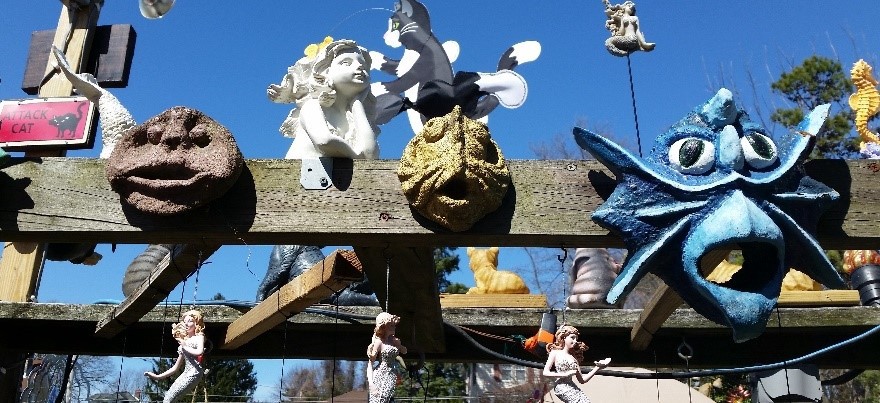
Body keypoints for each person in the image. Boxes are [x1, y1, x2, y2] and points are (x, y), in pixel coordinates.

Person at [268, 39, 380, 159]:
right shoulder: (312, 106)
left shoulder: (351, 116)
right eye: (346, 63)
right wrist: (357, 160)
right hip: (301, 175)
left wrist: (357, 105)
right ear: (325, 72)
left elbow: (370, 153)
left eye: (363, 65)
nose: (359, 67)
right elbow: (325, 142)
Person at [144, 310, 207, 403]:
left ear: (196, 323)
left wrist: (185, 346)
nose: (186, 324)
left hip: (195, 372)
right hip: (186, 373)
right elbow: (175, 368)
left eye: (190, 321)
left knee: (169, 400)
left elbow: (199, 351)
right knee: (167, 399)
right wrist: (157, 377)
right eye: (185, 322)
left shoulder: (199, 337)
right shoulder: (184, 342)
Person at [543, 325, 610, 403]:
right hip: (561, 387)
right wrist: (564, 374)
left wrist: (598, 367)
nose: (575, 341)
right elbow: (545, 372)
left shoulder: (573, 359)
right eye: (572, 338)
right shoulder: (555, 353)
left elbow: (582, 380)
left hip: (571, 386)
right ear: (564, 337)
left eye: (576, 339)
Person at [366, 312, 407, 403]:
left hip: (391, 374)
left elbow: (404, 351)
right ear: (384, 326)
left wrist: (399, 346)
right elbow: (370, 365)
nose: (394, 327)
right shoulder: (379, 342)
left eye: (394, 325)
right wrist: (371, 384)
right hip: (380, 374)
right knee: (379, 399)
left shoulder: (394, 341)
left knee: (386, 398)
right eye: (391, 325)